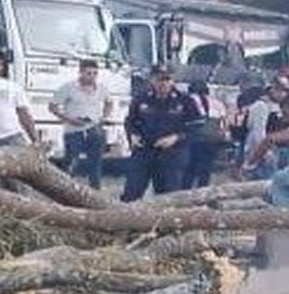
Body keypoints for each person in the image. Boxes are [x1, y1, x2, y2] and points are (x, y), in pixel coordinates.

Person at [120, 70, 199, 202]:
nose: (163, 83)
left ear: (172, 81)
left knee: (167, 196)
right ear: (152, 80)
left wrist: (176, 137)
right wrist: (133, 135)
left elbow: (196, 125)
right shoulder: (141, 98)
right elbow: (130, 121)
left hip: (172, 153)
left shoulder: (185, 100)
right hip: (144, 150)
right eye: (159, 80)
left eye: (167, 80)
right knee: (131, 192)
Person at [50, 59, 113, 189]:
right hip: (74, 129)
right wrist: (68, 119)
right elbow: (53, 106)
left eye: (95, 73)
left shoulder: (101, 88)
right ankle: (66, 189)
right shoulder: (68, 87)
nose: (92, 76)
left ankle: (95, 189)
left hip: (94, 128)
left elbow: (109, 102)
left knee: (96, 161)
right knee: (72, 161)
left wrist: (104, 117)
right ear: (81, 73)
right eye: (88, 73)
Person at [0, 47, 38, 147]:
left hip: (11, 137)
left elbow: (24, 113)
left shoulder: (13, 86)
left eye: (0, 64)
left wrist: (35, 139)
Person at [242, 83, 286, 180]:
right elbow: (258, 132)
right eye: (280, 91)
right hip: (261, 153)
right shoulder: (261, 106)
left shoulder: (273, 107)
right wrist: (264, 153)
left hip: (268, 151)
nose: (283, 94)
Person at [182, 80, 220, 189]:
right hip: (212, 140)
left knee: (189, 170)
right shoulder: (217, 103)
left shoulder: (188, 100)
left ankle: (186, 192)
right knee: (205, 171)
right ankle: (203, 192)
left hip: (193, 139)